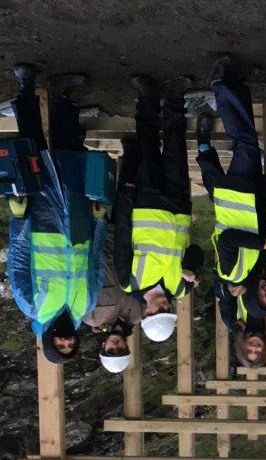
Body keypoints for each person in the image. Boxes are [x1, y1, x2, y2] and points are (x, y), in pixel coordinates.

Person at [6, 64, 107, 364]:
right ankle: (62, 94)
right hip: (77, 222)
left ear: (50, 342)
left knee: (32, 149)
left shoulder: (32, 306)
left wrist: (19, 213)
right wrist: (99, 221)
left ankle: (26, 86)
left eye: (59, 345)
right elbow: (96, 261)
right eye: (70, 345)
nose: (66, 340)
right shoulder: (85, 305)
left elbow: (19, 259)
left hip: (42, 219)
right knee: (70, 153)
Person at [195, 57, 266, 318]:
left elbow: (228, 240)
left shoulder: (232, 273)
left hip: (237, 198)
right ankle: (234, 83)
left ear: (252, 296)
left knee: (246, 143)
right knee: (247, 142)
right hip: (255, 196)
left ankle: (221, 84)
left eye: (263, 296)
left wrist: (263, 245)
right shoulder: (263, 267)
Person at [115, 74, 203, 342]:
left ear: (147, 313)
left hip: (146, 203)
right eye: (168, 310)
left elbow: (121, 233)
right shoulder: (181, 287)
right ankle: (176, 98)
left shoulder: (129, 282)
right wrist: (191, 267)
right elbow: (197, 252)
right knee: (176, 147)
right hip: (177, 206)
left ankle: (147, 96)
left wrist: (127, 196)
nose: (165, 306)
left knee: (148, 146)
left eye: (159, 311)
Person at [82, 139, 143, 373]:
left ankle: (85, 149)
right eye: (120, 350)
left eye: (110, 350)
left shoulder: (91, 317)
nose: (115, 346)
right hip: (128, 239)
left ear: (103, 345)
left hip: (97, 237)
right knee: (128, 189)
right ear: (127, 346)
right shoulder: (137, 314)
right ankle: (130, 150)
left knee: (93, 187)